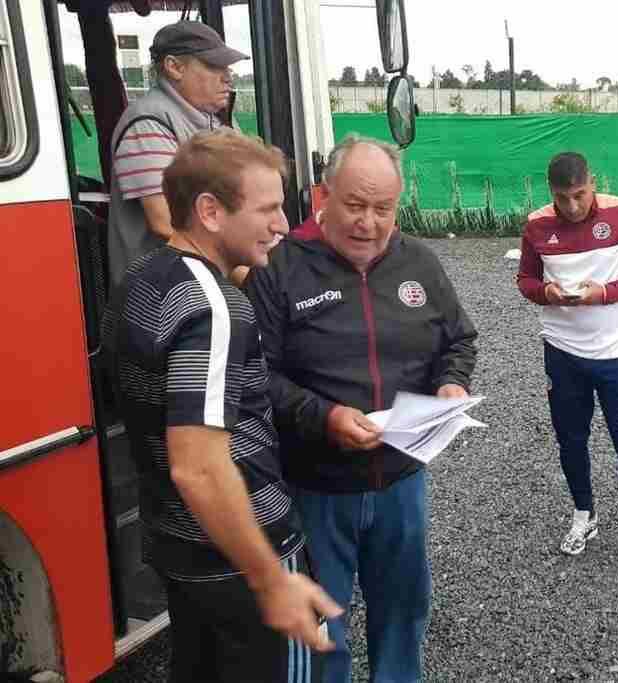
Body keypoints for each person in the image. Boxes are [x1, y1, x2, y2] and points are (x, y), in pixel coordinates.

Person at [102, 129, 340, 683]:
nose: (283, 224)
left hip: (179, 546)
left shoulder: (143, 277)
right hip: (237, 551)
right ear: (210, 211)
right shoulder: (213, 310)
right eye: (269, 209)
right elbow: (201, 465)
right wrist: (270, 579)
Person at [246, 135, 478, 683]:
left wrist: (451, 385)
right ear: (325, 193)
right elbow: (256, 376)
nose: (369, 223)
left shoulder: (419, 261)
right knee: (324, 620)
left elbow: (460, 340)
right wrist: (323, 416)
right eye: (354, 205)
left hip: (401, 478)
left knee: (403, 610)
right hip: (316, 486)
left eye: (383, 209)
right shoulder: (280, 269)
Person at [516, 152, 618, 574]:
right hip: (562, 351)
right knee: (571, 439)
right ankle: (585, 515)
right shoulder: (537, 224)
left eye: (580, 195)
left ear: (592, 184)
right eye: (563, 198)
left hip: (616, 352)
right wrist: (545, 293)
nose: (572, 207)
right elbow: (525, 280)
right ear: (552, 193)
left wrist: (604, 293)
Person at [107, 20, 247, 292]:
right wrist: (247, 274)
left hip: (203, 283)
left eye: (227, 67)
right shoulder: (148, 122)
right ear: (174, 67)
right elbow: (165, 222)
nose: (227, 77)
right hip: (166, 296)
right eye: (213, 66)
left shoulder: (212, 120)